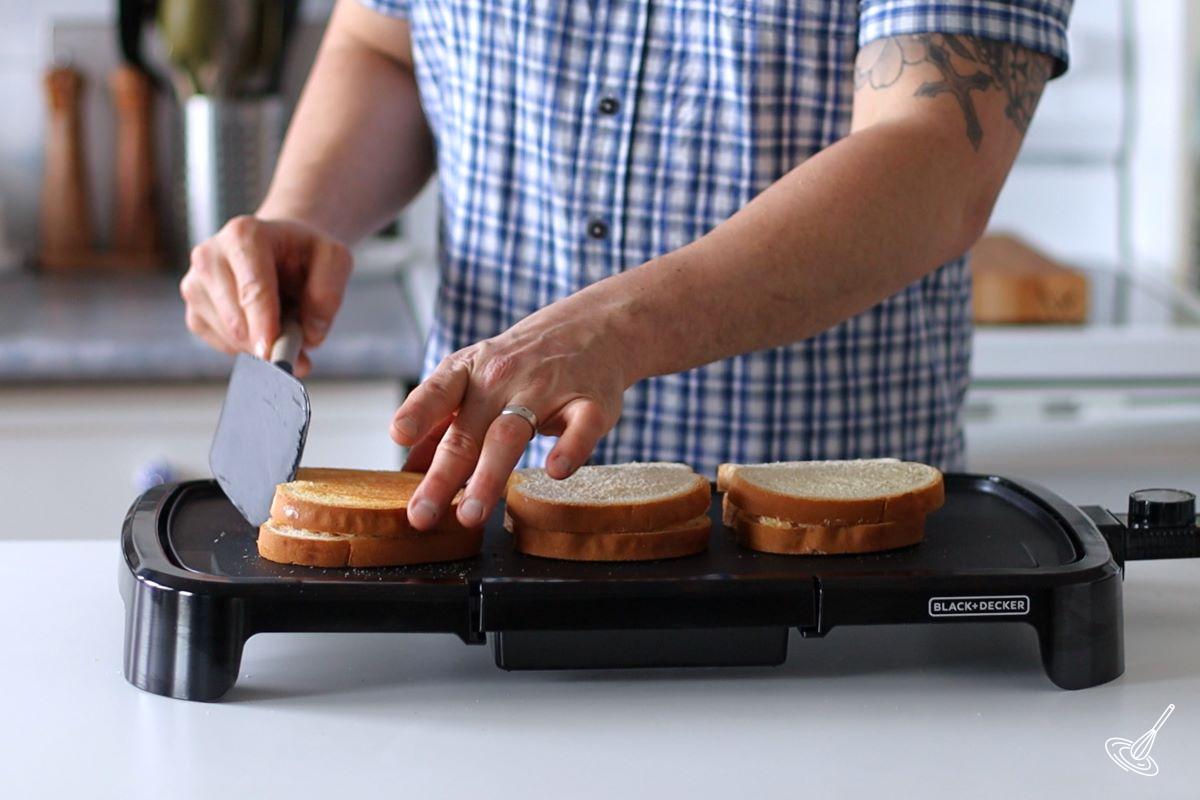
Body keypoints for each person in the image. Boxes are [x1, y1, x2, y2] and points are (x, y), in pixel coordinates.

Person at [180, 0, 1072, 533]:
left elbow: (937, 159)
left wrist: (617, 329)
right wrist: (305, 214)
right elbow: (384, 42)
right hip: (478, 546)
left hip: (809, 571)